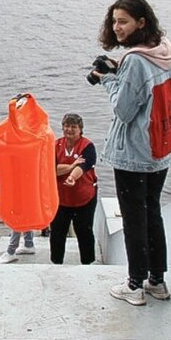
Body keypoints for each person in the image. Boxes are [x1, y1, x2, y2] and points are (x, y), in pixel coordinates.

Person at [90, 0, 171, 306]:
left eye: (123, 22)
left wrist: (108, 79)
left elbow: (125, 110)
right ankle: (157, 281)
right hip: (160, 146)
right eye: (114, 21)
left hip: (134, 152)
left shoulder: (135, 60)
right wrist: (120, 71)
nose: (117, 27)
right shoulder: (164, 49)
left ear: (141, 23)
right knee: (152, 212)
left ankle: (134, 286)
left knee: (133, 218)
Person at [50, 113, 98, 265]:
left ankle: (88, 263)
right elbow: (50, 169)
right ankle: (56, 264)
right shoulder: (55, 145)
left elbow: (83, 166)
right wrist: (70, 166)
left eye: (73, 127)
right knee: (57, 233)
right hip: (60, 199)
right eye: (66, 126)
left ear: (80, 129)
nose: (69, 129)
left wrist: (72, 176)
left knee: (84, 232)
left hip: (84, 199)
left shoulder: (88, 146)